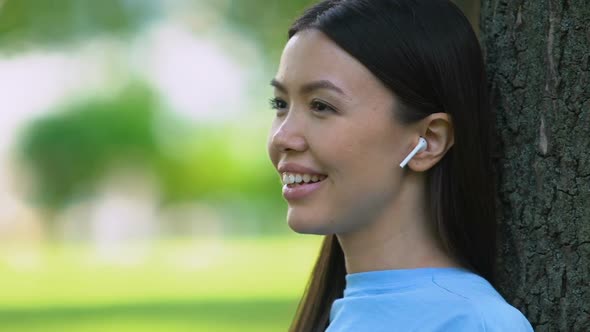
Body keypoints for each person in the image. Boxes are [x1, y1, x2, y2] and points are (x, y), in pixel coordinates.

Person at [266, 0, 534, 331]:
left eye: (321, 106)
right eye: (280, 104)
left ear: (429, 140)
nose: (283, 137)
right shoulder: (339, 314)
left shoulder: (470, 323)